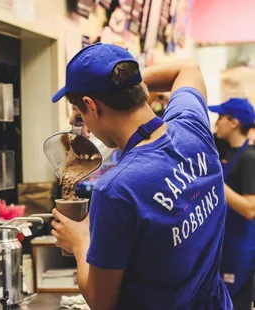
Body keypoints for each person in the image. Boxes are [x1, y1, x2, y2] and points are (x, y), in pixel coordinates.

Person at [50, 43, 232, 310]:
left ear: (90, 105)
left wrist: (80, 242)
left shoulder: (117, 189)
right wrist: (122, 83)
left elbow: (102, 302)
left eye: (82, 112)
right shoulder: (191, 126)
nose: (86, 126)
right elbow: (187, 68)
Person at [208, 98, 255, 310]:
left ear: (233, 122)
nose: (217, 122)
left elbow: (250, 209)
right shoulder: (228, 151)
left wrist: (215, 180)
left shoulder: (249, 158)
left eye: (220, 117)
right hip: (226, 241)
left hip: (240, 246)